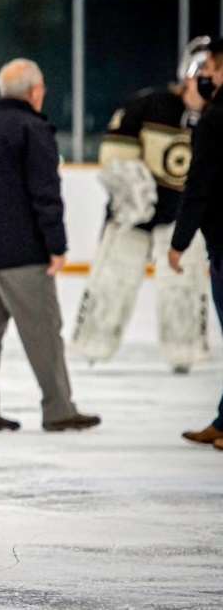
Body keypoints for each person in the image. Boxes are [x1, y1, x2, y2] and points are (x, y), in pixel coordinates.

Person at [0, 58, 101, 434]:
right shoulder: (33, 130)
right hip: (23, 257)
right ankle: (58, 409)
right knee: (44, 335)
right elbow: (45, 193)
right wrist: (57, 246)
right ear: (35, 92)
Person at [72, 37, 211, 372]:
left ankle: (184, 351)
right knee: (112, 281)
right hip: (132, 215)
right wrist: (132, 195)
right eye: (201, 71)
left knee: (184, 285)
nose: (206, 79)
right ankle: (92, 346)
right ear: (187, 73)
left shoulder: (216, 118)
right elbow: (114, 155)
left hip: (181, 218)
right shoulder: (148, 105)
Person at [172, 37, 223, 450]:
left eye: (211, 67)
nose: (204, 75)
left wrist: (179, 241)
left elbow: (199, 186)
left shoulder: (215, 119)